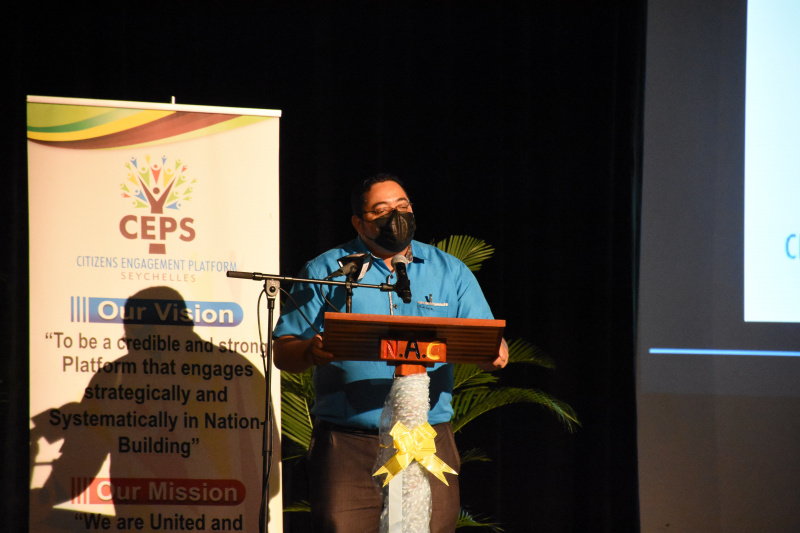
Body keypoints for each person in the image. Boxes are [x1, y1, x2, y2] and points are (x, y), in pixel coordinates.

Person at [273, 174, 508, 533]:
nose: (395, 216)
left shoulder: (450, 271)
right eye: (381, 210)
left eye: (402, 206)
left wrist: (493, 353)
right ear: (359, 222)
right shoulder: (326, 271)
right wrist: (311, 350)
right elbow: (284, 351)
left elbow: (487, 342)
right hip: (349, 443)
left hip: (427, 438)